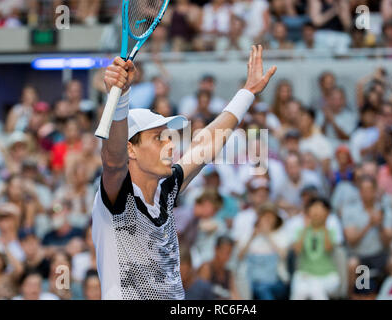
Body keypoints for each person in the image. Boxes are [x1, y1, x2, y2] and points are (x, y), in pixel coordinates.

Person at [92, 46, 276, 300]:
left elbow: (205, 145)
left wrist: (247, 93)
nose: (170, 144)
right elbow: (113, 162)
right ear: (130, 149)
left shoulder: (166, 188)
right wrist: (121, 97)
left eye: (169, 137)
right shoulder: (117, 195)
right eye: (158, 138)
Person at [291, 197, 340, 300]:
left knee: (315, 288)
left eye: (321, 209)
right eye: (314, 208)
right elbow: (297, 251)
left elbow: (328, 249)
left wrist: (324, 224)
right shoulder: (300, 231)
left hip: (327, 275)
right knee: (299, 292)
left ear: (327, 213)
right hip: (305, 274)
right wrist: (305, 228)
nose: (317, 212)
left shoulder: (330, 231)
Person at [237, 203, 289, 300]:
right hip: (250, 279)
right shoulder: (248, 234)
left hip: (275, 280)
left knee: (262, 288)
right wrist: (252, 237)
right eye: (265, 216)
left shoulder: (281, 234)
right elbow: (239, 257)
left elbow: (284, 256)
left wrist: (268, 236)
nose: (268, 219)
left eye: (271, 216)